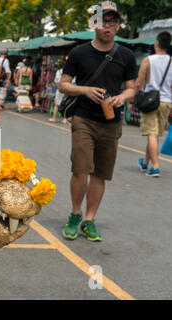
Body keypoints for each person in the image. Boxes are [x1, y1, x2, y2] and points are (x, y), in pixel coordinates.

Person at [58, 1, 137, 242]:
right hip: (83, 118)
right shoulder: (79, 52)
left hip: (111, 122)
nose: (107, 26)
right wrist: (85, 90)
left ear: (118, 26)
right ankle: (75, 214)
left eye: (112, 22)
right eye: (103, 21)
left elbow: (132, 88)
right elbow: (63, 83)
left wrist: (122, 98)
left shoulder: (126, 55)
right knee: (81, 168)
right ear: (94, 24)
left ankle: (89, 220)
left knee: (100, 174)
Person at [135, 31, 172, 177]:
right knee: (155, 135)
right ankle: (145, 163)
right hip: (167, 102)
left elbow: (139, 83)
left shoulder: (148, 60)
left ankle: (155, 167)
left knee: (151, 133)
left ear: (156, 42)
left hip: (151, 101)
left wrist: (134, 100)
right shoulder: (171, 61)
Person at [49, 58, 67, 123]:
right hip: (67, 89)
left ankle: (54, 118)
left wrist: (59, 87)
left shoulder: (58, 71)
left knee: (56, 104)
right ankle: (65, 119)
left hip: (60, 89)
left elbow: (56, 82)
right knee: (66, 104)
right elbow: (73, 81)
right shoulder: (70, 71)